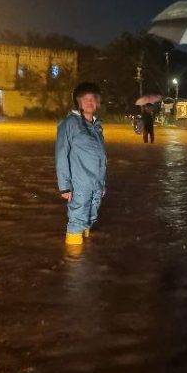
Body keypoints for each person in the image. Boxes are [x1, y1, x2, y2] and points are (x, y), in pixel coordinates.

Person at [55, 82, 107, 248]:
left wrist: (102, 183)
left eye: (93, 99)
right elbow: (61, 155)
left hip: (96, 185)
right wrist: (64, 186)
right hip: (79, 185)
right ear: (78, 101)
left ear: (97, 102)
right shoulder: (69, 123)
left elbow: (101, 157)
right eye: (85, 99)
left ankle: (87, 256)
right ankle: (73, 261)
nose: (90, 102)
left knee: (91, 218)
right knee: (77, 220)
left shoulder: (97, 126)